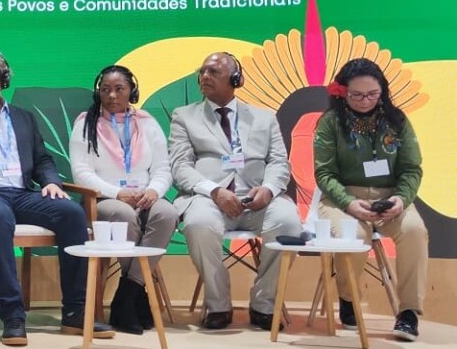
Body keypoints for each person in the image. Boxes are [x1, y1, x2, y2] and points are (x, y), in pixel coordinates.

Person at [0, 48, 113, 346]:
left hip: (22, 193)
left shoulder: (23, 118)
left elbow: (42, 159)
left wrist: (51, 181)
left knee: (71, 214)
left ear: (3, 78)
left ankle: (75, 311)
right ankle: (13, 315)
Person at [169, 51, 300, 331]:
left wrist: (269, 189)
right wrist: (215, 191)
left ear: (236, 79)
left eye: (214, 72)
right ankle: (218, 304)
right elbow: (180, 166)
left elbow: (279, 162)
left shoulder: (264, 118)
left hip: (258, 200)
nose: (205, 77)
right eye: (202, 71)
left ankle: (264, 303)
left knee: (288, 223)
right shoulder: (185, 116)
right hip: (209, 199)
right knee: (198, 224)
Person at [314, 57, 426, 341]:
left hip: (390, 198)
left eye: (373, 94)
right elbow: (325, 173)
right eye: (357, 95)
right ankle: (348, 299)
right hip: (343, 199)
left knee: (414, 230)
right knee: (355, 236)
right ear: (342, 92)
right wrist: (349, 203)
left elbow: (411, 169)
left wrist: (401, 199)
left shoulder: (397, 120)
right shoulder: (330, 123)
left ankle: (408, 313)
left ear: (382, 91)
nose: (365, 101)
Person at [70, 65, 176, 335]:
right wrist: (117, 193)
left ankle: (127, 294)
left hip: (145, 196)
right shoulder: (85, 123)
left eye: (119, 89)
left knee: (167, 214)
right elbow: (81, 173)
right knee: (124, 215)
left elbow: (163, 168)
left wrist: (154, 191)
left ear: (132, 91)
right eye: (105, 89)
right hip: (104, 200)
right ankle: (135, 298)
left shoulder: (147, 122)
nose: (112, 95)